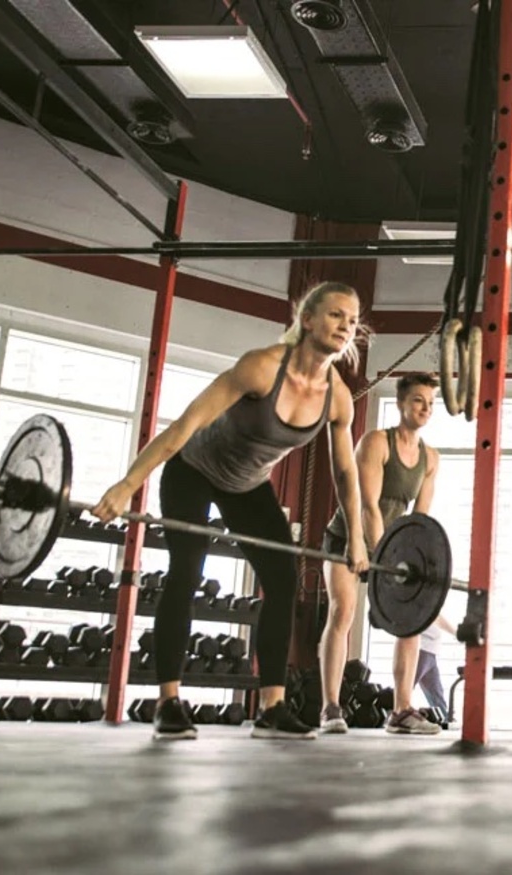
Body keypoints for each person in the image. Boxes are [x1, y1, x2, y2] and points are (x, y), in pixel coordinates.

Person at [92, 280, 370, 741]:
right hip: (193, 470)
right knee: (188, 567)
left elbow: (345, 473)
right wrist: (127, 485)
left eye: (354, 320)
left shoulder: (337, 397)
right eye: (337, 314)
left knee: (282, 577)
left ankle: (272, 709)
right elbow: (186, 425)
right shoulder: (261, 368)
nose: (347, 326)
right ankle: (169, 702)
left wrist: (357, 538)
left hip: (247, 486)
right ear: (307, 320)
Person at [317, 373, 442, 735]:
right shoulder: (375, 443)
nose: (425, 408)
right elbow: (368, 507)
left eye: (431, 403)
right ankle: (330, 708)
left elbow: (420, 520)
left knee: (412, 621)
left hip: (393, 547)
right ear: (402, 403)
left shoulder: (430, 458)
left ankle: (402, 710)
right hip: (348, 536)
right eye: (418, 400)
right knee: (343, 613)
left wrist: (412, 564)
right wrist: (376, 558)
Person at [414, 612, 458, 727]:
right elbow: (437, 618)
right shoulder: (423, 602)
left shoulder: (432, 606)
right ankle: (392, 714)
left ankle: (445, 720)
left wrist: (456, 633)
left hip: (430, 653)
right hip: (422, 650)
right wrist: (456, 632)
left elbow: (437, 617)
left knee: (436, 692)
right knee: (407, 686)